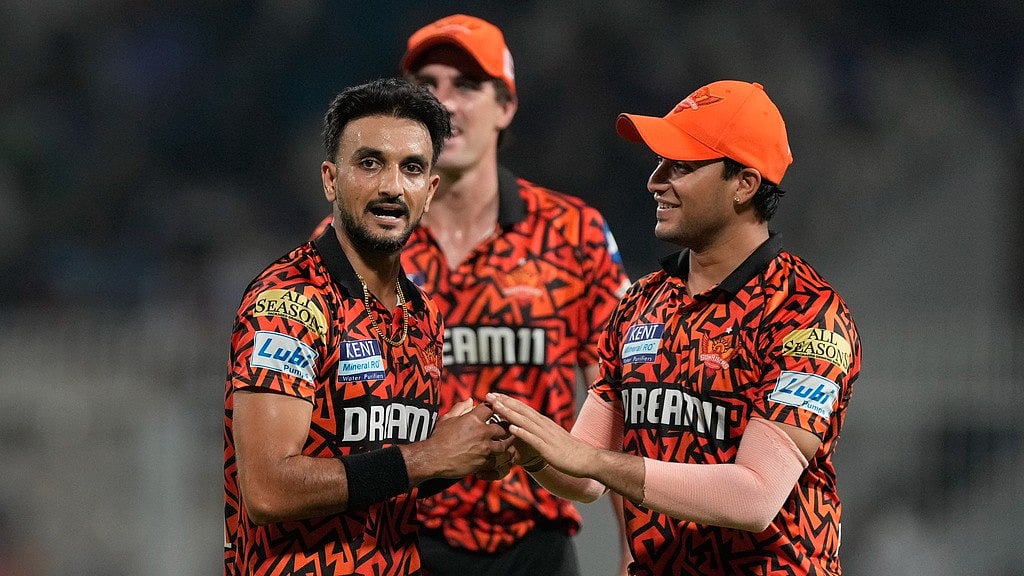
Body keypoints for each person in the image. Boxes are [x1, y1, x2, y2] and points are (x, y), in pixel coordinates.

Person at [488, 79, 862, 575]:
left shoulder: (807, 312)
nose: (655, 180)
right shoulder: (641, 302)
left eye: (680, 166)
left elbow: (754, 497)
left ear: (744, 185)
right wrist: (530, 448)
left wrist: (592, 462)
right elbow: (583, 477)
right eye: (659, 162)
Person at [312, 13, 632, 576]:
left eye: (466, 85)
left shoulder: (575, 235)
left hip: (535, 548)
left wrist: (641, 557)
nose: (445, 103)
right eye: (427, 87)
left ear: (505, 107)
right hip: (392, 545)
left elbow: (626, 408)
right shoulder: (349, 240)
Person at [223, 77, 515, 576]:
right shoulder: (290, 302)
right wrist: (430, 455)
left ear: (430, 191)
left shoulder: (423, 315)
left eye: (412, 169)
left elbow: (376, 475)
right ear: (331, 180)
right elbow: (271, 489)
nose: (391, 187)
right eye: (370, 163)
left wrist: (462, 454)